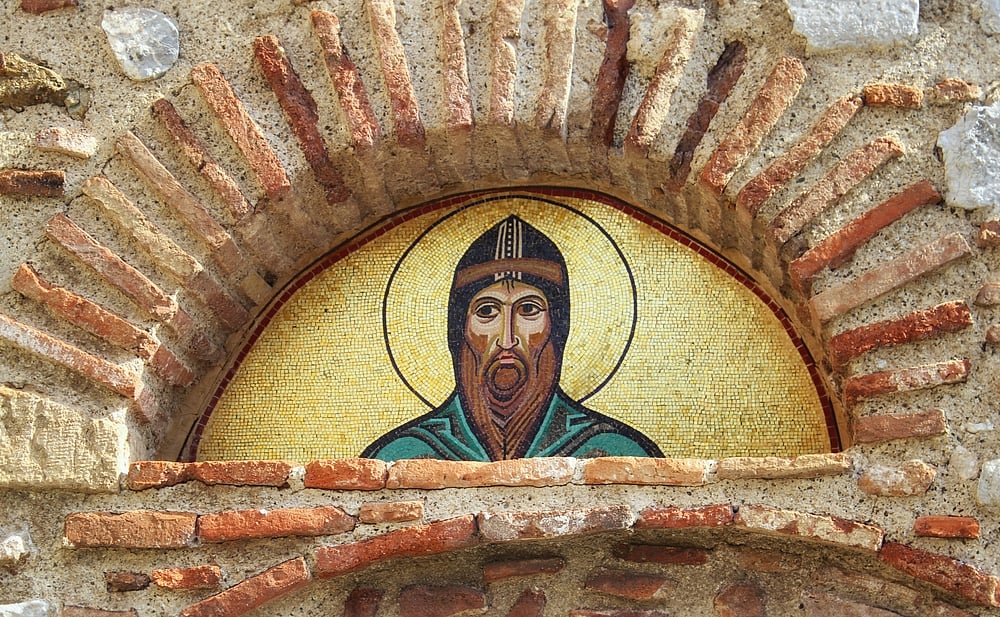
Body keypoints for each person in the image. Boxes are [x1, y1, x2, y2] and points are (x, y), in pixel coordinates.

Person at [363, 215, 662, 461]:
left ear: (556, 326)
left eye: (529, 309)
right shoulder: (403, 456)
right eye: (487, 311)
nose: (507, 339)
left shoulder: (612, 452)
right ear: (460, 330)